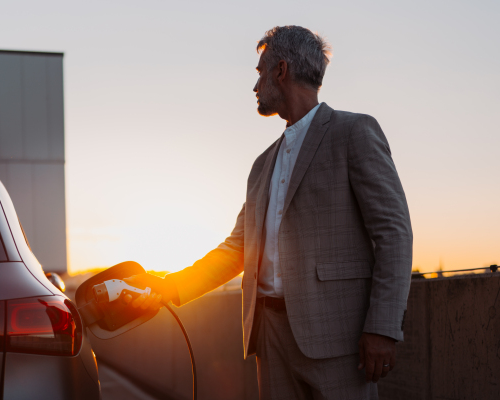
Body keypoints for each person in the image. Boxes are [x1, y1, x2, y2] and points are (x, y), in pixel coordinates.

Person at [125, 25, 413, 399]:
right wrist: (170, 287)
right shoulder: (263, 165)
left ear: (281, 70)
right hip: (269, 336)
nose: (255, 85)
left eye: (260, 72)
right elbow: (236, 250)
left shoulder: (353, 132)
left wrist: (383, 328)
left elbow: (393, 232)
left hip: (339, 339)